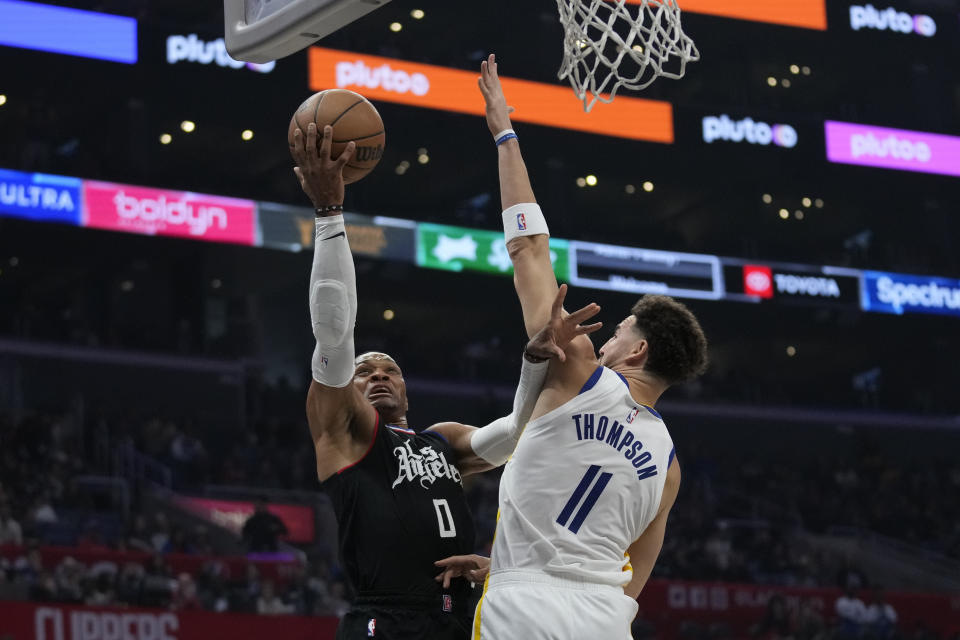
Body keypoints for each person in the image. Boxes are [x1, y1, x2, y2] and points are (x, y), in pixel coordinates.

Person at [290, 121, 602, 639]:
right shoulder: (344, 431)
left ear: (408, 388)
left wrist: (532, 361)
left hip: (458, 617)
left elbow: (510, 437)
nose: (379, 376)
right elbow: (334, 329)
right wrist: (329, 214)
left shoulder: (441, 441)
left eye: (390, 369)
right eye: (365, 371)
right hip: (384, 616)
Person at [448, 54, 709, 639]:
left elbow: (529, 251)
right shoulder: (669, 467)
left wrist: (504, 136)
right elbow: (634, 574)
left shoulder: (579, 371)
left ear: (637, 352)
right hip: (604, 618)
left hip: (524, 607)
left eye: (618, 331)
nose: (607, 336)